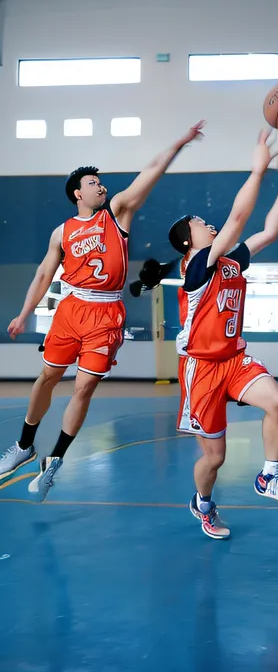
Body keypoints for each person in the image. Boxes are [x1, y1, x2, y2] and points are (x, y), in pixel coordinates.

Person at [0, 122, 204, 500]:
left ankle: (55, 461)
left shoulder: (117, 213)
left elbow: (151, 173)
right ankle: (24, 445)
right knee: (47, 377)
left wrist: (178, 141)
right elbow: (44, 273)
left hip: (106, 314)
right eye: (93, 183)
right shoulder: (62, 232)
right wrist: (25, 311)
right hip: (70, 309)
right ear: (78, 193)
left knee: (84, 387)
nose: (101, 186)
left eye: (101, 182)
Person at [134, 130, 278, 540]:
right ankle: (204, 504)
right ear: (187, 242)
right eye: (198, 223)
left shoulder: (228, 261)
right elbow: (239, 218)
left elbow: (267, 233)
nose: (207, 223)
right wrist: (258, 169)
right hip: (202, 370)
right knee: (215, 458)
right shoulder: (198, 268)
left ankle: (270, 478)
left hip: (233, 359)